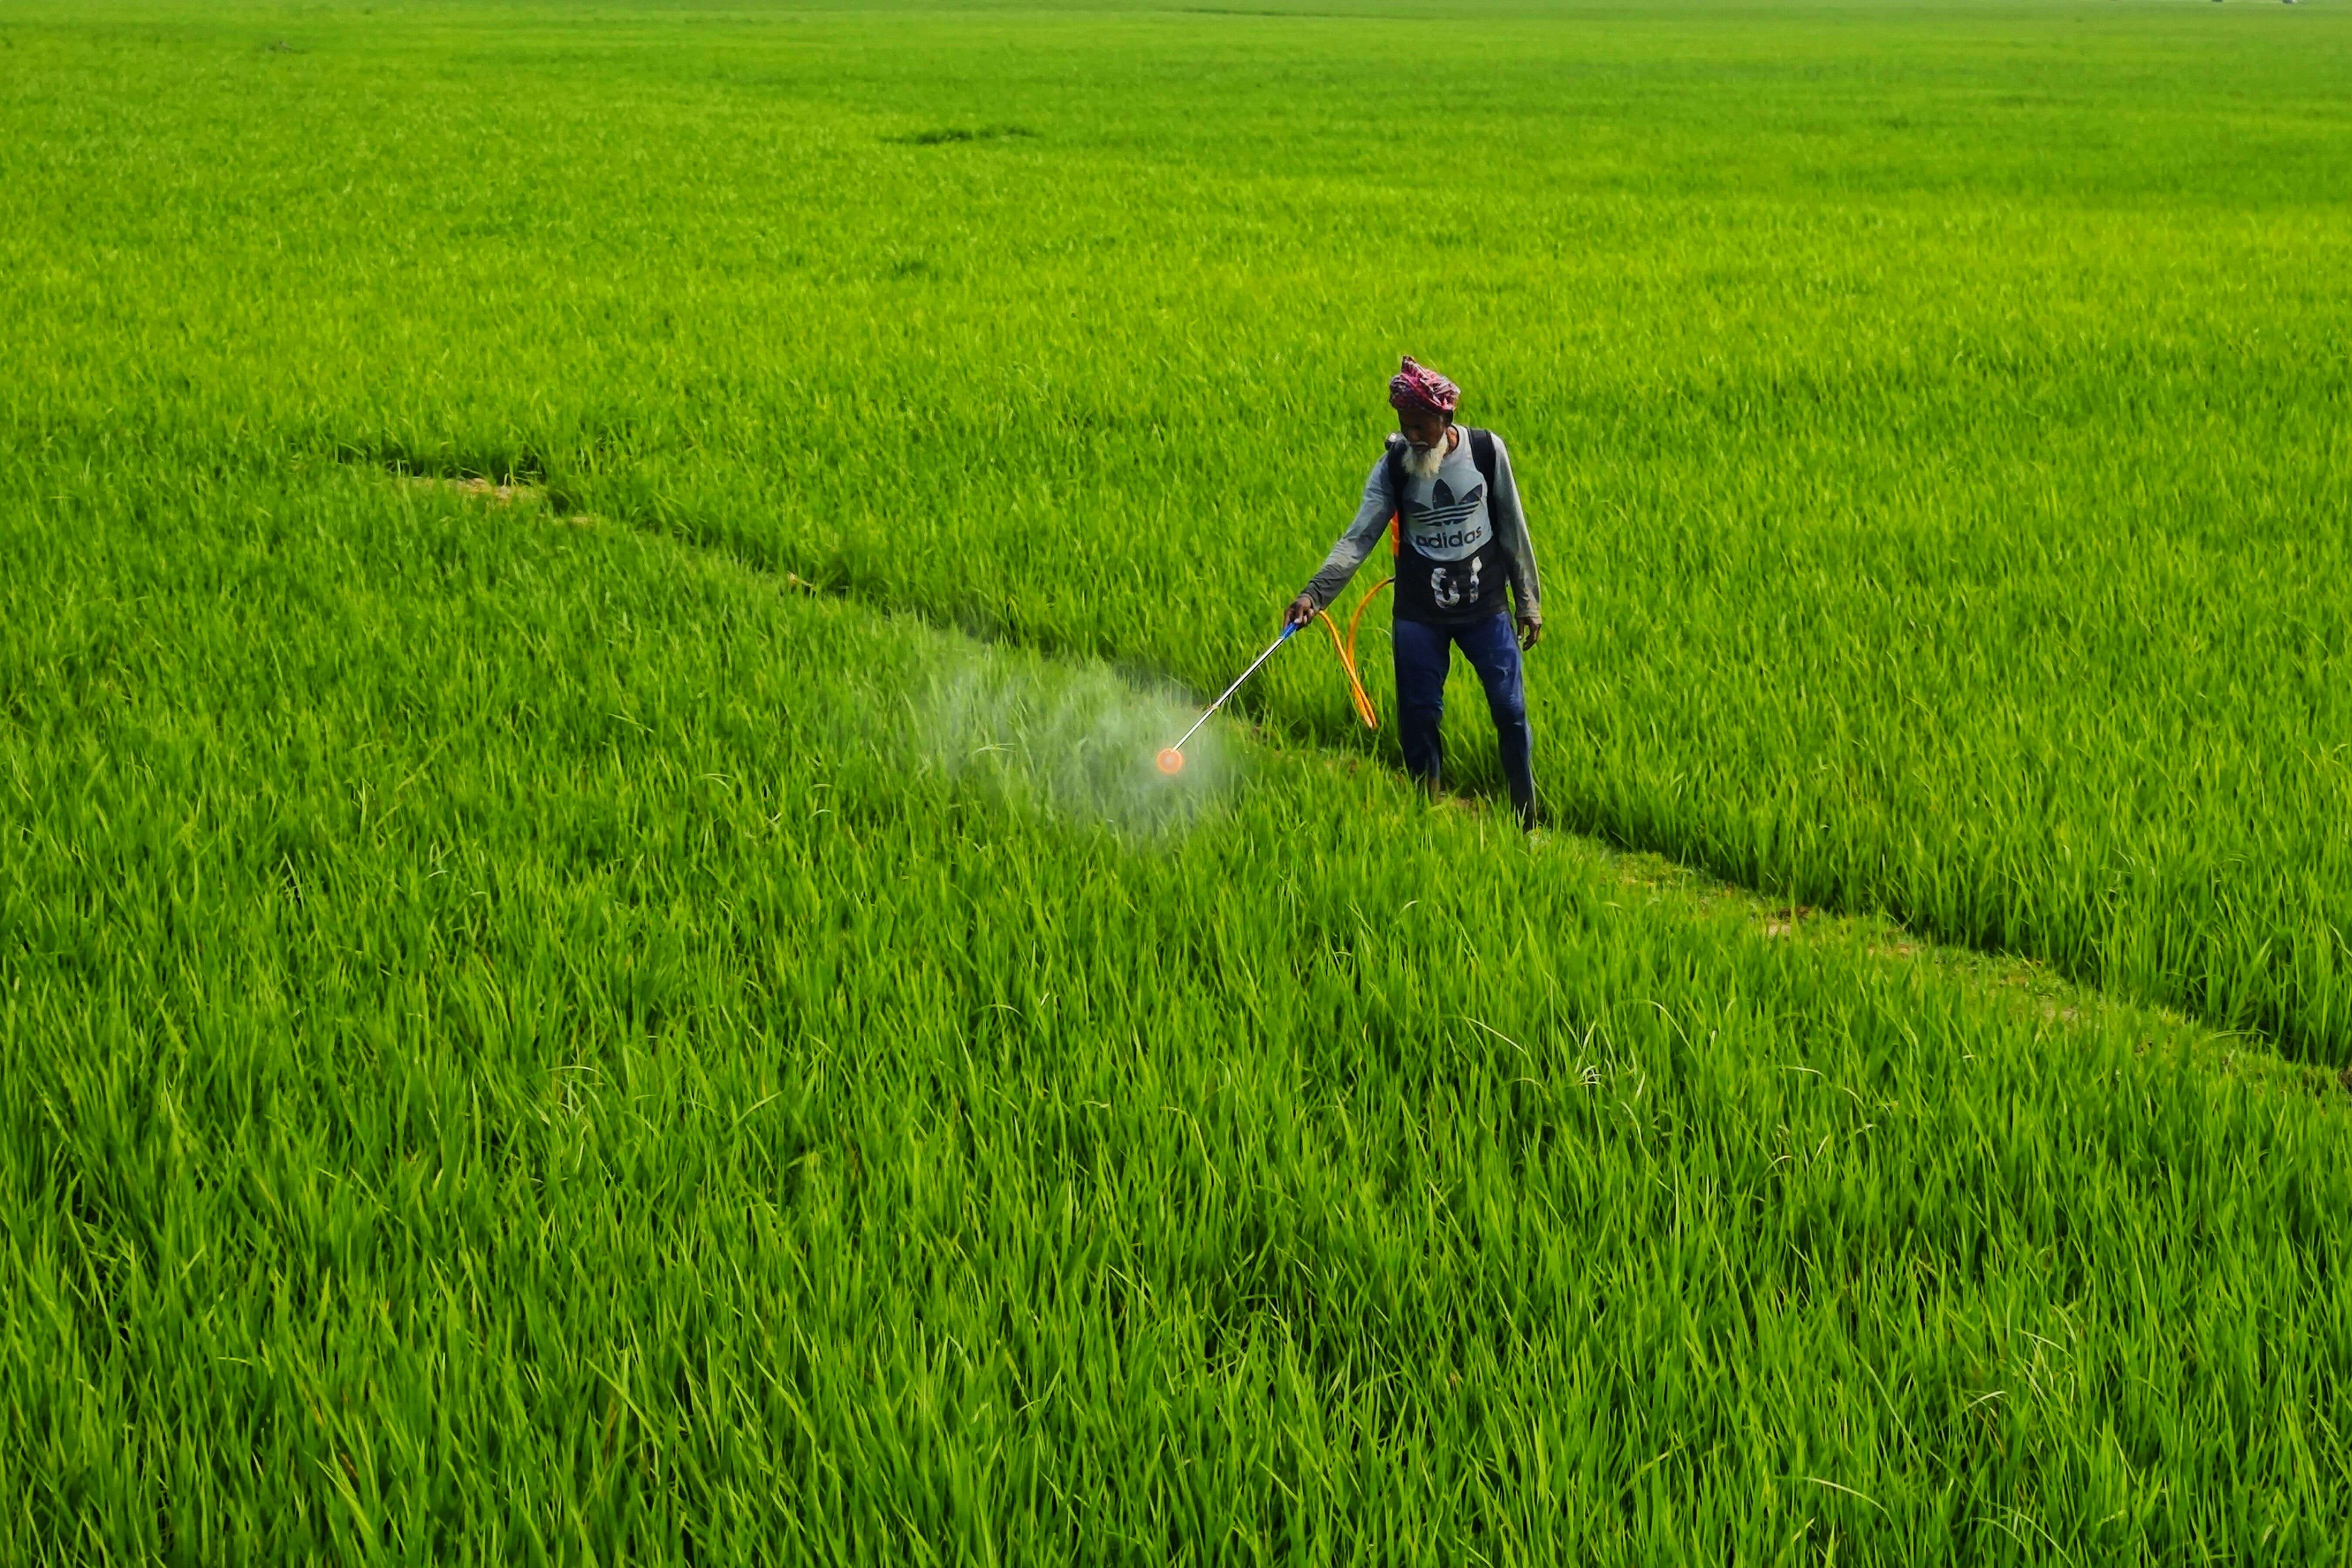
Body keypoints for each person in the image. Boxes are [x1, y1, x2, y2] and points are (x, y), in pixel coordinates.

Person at [1285, 356, 1544, 829]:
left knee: (1510, 711)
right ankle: (1427, 812)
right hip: (1419, 614)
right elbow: (1357, 538)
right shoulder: (1395, 468)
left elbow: (1512, 527)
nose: (1414, 437)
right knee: (1420, 718)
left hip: (1485, 608)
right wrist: (1314, 595)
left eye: (1422, 426)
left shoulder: (1487, 452)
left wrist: (1528, 602)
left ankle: (1528, 819)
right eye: (1406, 427)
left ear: (1447, 419)